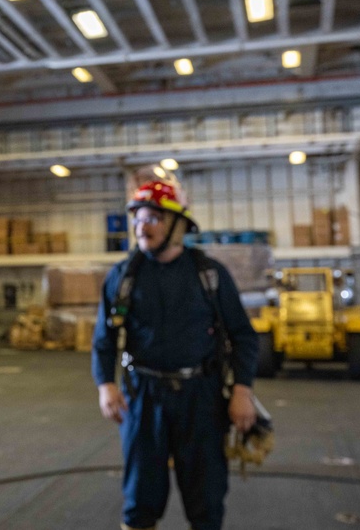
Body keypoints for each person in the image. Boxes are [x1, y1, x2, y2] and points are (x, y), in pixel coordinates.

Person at [92, 179, 259, 530]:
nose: (141, 226)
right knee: (140, 499)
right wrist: (105, 384)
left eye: (152, 218)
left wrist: (242, 390)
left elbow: (243, 336)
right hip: (144, 398)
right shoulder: (123, 277)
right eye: (136, 218)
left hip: (202, 398)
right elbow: (104, 338)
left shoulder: (209, 275)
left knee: (207, 499)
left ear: (177, 225)